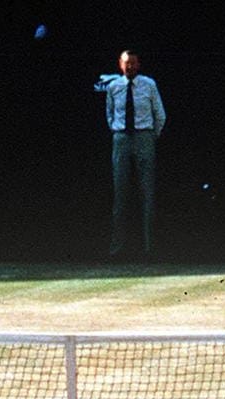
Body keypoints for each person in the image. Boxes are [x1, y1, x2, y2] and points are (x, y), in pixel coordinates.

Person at [97, 49, 166, 260]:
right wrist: (118, 131)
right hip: (121, 139)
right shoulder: (114, 86)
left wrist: (150, 135)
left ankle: (150, 248)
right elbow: (109, 113)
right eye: (127, 63)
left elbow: (159, 114)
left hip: (144, 137)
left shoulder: (149, 84)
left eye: (133, 63)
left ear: (139, 64)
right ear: (120, 64)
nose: (130, 67)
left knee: (147, 192)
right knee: (120, 194)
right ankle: (117, 248)